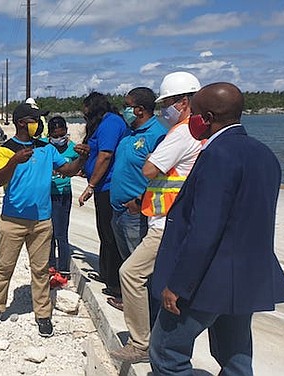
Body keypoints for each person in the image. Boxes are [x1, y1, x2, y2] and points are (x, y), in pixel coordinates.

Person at [149, 82, 284, 375]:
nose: (191, 120)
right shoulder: (264, 154)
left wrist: (178, 285)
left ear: (208, 117)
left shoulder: (217, 156)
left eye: (195, 114)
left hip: (207, 278)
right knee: (236, 358)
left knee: (166, 353)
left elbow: (205, 230)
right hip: (246, 277)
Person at [110, 72, 202, 363]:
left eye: (169, 102)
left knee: (131, 273)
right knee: (156, 280)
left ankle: (140, 343)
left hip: (165, 223)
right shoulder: (195, 132)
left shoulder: (182, 133)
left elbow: (150, 170)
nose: (166, 109)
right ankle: (158, 337)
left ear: (183, 102)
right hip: (161, 216)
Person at [0, 101, 88, 337]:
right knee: (4, 267)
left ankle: (43, 315)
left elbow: (68, 170)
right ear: (23, 123)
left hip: (42, 221)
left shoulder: (46, 148)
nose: (39, 124)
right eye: (35, 120)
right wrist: (14, 161)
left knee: (41, 271)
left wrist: (81, 160)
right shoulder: (6, 149)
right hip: (13, 220)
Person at [76, 92, 129, 299]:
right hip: (102, 186)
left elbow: (106, 156)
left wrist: (91, 185)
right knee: (105, 234)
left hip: (108, 187)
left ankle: (115, 284)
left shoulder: (110, 123)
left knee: (111, 235)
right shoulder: (106, 123)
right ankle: (107, 274)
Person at [110, 87, 167, 261]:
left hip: (136, 214)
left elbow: (162, 177)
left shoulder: (158, 136)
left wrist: (137, 202)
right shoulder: (129, 133)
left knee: (139, 270)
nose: (123, 110)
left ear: (140, 110)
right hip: (118, 211)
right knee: (126, 266)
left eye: (127, 105)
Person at [45, 116, 80, 275]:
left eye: (61, 135)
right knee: (48, 233)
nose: (59, 139)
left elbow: (80, 168)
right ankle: (51, 265)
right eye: (55, 135)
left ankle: (64, 269)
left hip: (63, 195)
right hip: (46, 195)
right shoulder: (45, 148)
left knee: (61, 233)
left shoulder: (73, 149)